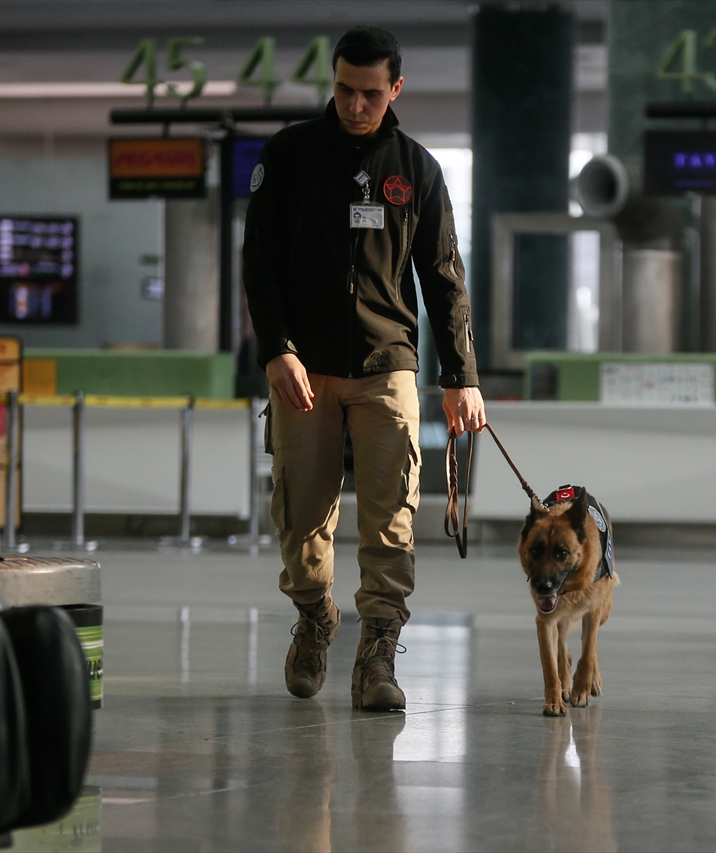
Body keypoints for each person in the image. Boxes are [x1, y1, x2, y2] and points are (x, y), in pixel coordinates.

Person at [242, 25, 485, 711]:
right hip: (303, 367)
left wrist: (461, 374)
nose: (355, 104)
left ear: (395, 89)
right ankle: (315, 614)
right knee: (300, 517)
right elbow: (258, 264)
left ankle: (378, 650)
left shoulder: (417, 168)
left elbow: (444, 279)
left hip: (388, 364)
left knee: (392, 517)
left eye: (370, 93)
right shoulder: (290, 156)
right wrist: (276, 348)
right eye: (345, 90)